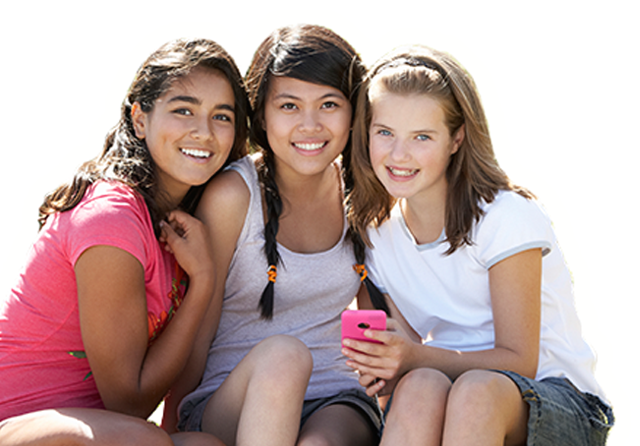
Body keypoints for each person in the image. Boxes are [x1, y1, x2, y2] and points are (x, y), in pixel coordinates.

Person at [342, 45, 614, 445]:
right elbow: (403, 361)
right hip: (449, 389)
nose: (398, 154)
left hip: (557, 398)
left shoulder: (505, 217)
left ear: (456, 139)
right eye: (384, 133)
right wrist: (386, 363)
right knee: (418, 388)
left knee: (475, 392)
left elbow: (520, 360)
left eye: (422, 136)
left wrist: (414, 357)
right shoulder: (376, 235)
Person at [0, 38, 249, 446]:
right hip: (16, 420)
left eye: (222, 116)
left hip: (104, 430)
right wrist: (203, 281)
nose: (203, 132)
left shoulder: (180, 225)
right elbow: (128, 401)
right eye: (183, 110)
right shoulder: (111, 218)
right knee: (143, 439)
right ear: (139, 120)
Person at [164, 24, 381, 446]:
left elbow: (373, 311)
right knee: (284, 357)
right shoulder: (233, 195)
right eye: (289, 106)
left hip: (334, 398)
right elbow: (199, 324)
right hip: (231, 397)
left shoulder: (364, 194)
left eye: (329, 104)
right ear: (261, 113)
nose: (310, 124)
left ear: (355, 112)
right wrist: (170, 428)